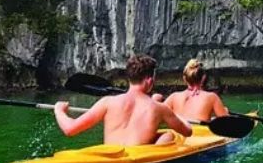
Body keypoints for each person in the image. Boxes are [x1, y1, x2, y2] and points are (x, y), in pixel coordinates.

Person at [54, 54, 192, 145]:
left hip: (109, 158)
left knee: (165, 135)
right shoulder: (159, 108)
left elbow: (70, 129)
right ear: (149, 80)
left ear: (129, 78)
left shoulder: (108, 102)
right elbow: (188, 131)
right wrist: (180, 116)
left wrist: (59, 110)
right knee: (169, 135)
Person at [163, 59, 229, 122]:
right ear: (203, 78)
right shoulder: (212, 97)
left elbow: (157, 113)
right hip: (199, 132)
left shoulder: (174, 97)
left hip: (179, 132)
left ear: (184, 79)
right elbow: (225, 122)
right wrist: (225, 112)